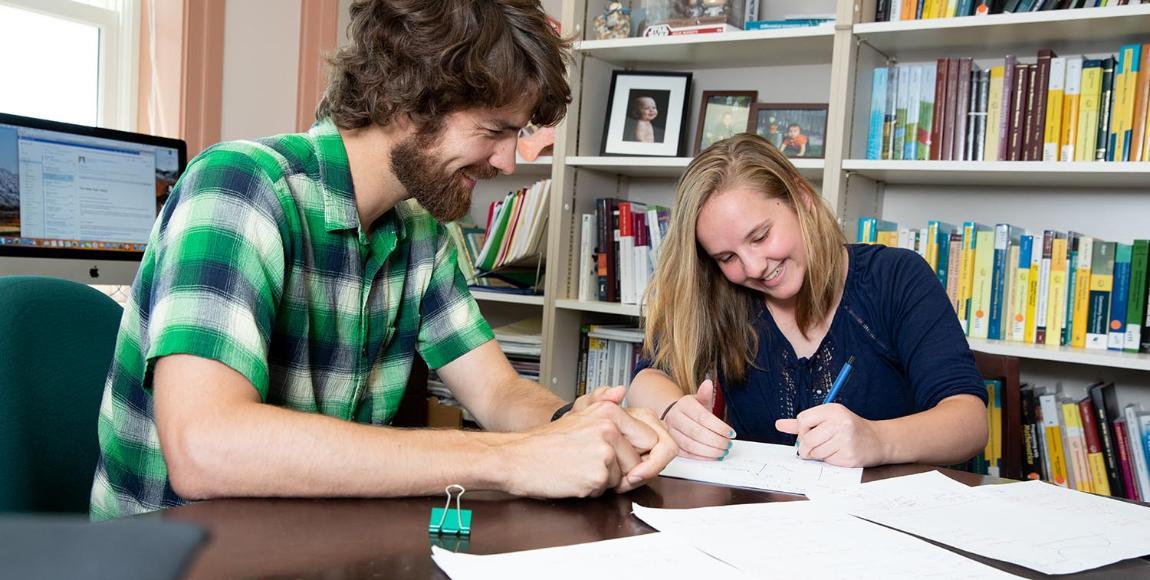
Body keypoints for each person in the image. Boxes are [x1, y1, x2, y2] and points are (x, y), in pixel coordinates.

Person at [90, 0, 675, 520]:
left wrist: (582, 431)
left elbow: (498, 393)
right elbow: (206, 448)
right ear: (405, 102)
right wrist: (508, 458)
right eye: (494, 131)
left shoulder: (420, 229)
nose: (507, 162)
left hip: (310, 542)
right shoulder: (240, 186)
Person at [626, 134, 987, 468]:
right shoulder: (724, 294)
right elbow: (648, 378)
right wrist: (672, 409)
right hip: (763, 522)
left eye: (760, 236)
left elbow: (969, 421)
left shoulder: (896, 277)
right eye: (726, 257)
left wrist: (878, 440)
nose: (753, 267)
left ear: (802, 199)